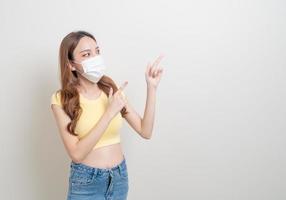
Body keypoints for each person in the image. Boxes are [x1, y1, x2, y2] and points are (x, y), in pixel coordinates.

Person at [50, 30, 164, 200]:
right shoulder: (62, 99)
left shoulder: (109, 88)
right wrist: (109, 113)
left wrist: (152, 88)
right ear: (71, 65)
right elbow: (76, 154)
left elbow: (145, 131)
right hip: (86, 183)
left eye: (97, 51)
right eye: (86, 54)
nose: (95, 58)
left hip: (119, 178)